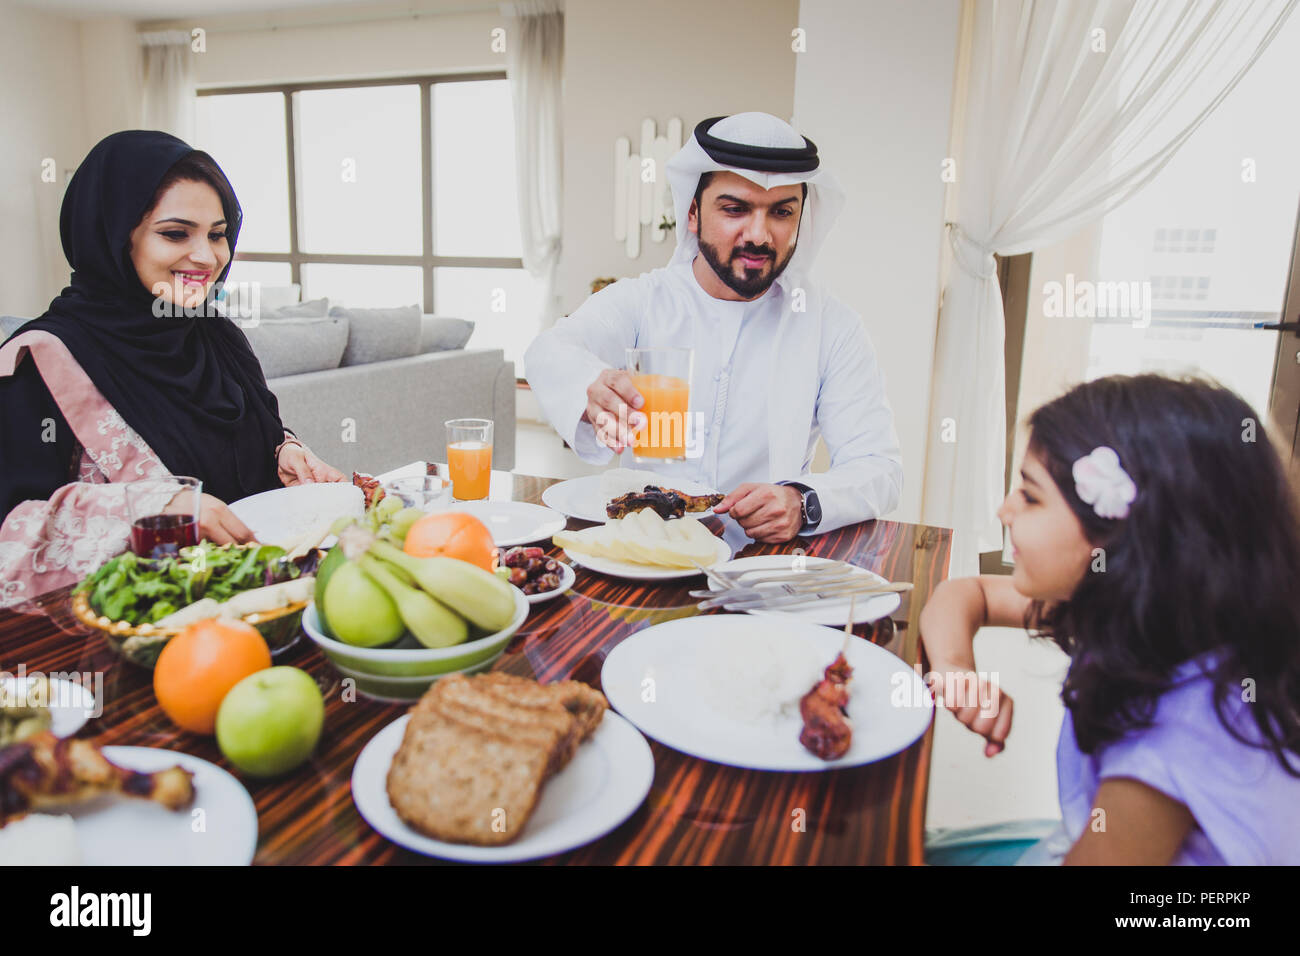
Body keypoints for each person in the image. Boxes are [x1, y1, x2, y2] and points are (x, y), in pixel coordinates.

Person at [919, 374, 1300, 865]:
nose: (1004, 510)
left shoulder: (1168, 747)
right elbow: (965, 593)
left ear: (1120, 540)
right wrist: (955, 669)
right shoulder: (1152, 613)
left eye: (1030, 497)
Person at [0, 130, 342, 608]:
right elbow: (11, 534)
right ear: (114, 237)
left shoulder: (218, 336)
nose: (207, 257)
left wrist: (285, 453)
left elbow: (241, 443)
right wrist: (156, 510)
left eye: (218, 234)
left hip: (268, 608)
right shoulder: (38, 361)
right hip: (131, 630)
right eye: (176, 233)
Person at [525, 113, 902, 542]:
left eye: (781, 212)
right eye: (735, 209)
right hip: (644, 554)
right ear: (693, 213)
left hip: (763, 563)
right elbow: (550, 349)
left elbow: (880, 468)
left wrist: (802, 501)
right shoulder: (644, 301)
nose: (758, 235)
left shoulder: (832, 327)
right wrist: (591, 384)